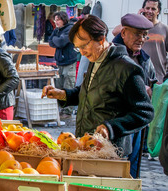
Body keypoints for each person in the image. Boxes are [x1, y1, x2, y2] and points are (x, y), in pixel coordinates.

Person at [42, 15, 154, 168]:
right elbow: (88, 92)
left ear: (101, 39)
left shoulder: (127, 69)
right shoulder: (95, 59)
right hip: (85, 148)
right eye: (78, 48)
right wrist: (64, 94)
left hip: (110, 155)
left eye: (84, 46)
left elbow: (145, 112)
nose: (81, 52)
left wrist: (111, 127)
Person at [112, 13, 157, 178]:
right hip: (116, 124)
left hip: (137, 123)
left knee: (132, 168)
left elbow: (152, 86)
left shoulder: (144, 59)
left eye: (145, 35)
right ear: (123, 33)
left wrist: (151, 90)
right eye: (137, 34)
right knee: (115, 170)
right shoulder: (110, 57)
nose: (142, 39)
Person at [48, 11, 79, 118]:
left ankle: (67, 111)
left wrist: (56, 40)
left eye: (58, 20)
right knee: (59, 86)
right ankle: (61, 109)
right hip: (60, 62)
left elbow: (61, 42)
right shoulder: (57, 30)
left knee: (68, 85)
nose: (56, 22)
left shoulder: (70, 29)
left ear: (63, 20)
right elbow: (50, 41)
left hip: (69, 61)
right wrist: (56, 40)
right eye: (55, 20)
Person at [140, 0, 168, 84]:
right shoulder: (137, 28)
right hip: (140, 76)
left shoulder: (164, 29)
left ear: (158, 11)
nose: (150, 11)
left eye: (153, 9)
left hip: (159, 77)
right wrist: (137, 16)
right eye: (147, 8)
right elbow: (115, 32)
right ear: (143, 9)